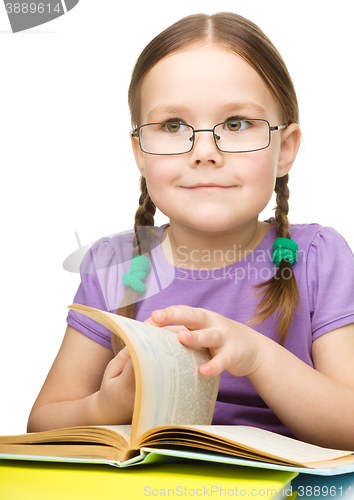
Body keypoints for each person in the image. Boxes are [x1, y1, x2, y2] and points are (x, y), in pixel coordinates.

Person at [27, 12, 354, 450]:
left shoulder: (316, 257)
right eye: (173, 126)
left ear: (285, 149)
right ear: (140, 152)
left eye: (236, 124)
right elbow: (42, 423)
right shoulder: (117, 264)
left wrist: (256, 356)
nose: (204, 152)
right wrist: (107, 404)